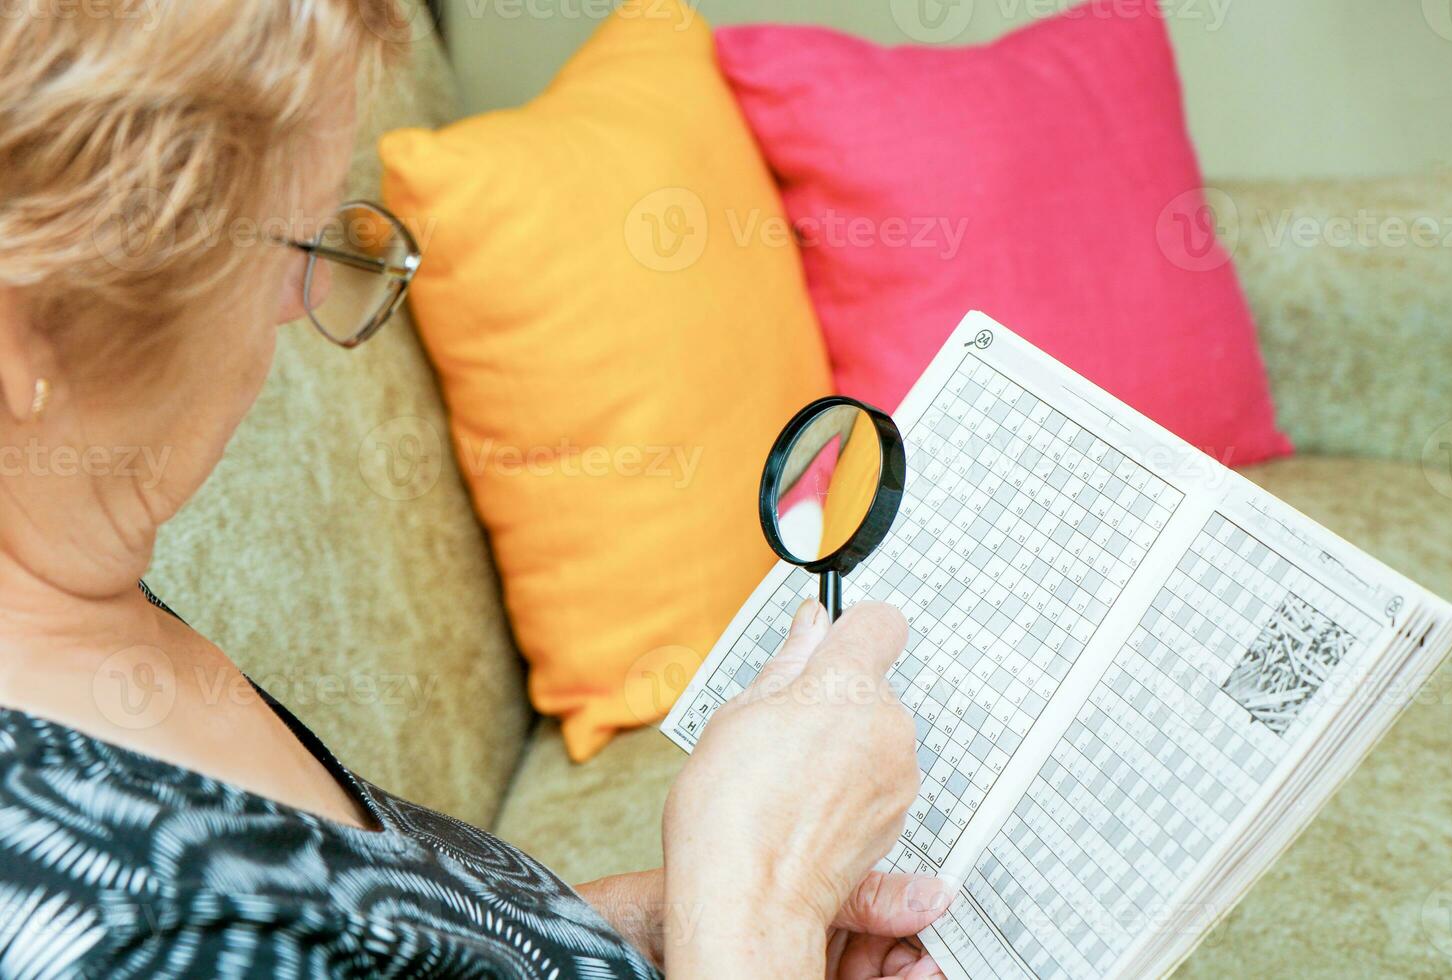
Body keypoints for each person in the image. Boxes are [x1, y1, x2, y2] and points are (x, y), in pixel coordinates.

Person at [0, 3, 953, 976]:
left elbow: (391, 937)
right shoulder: (107, 924)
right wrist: (762, 896)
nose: (300, 310)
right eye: (290, 251)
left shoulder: (65, 587)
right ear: (26, 322)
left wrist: (682, 922)